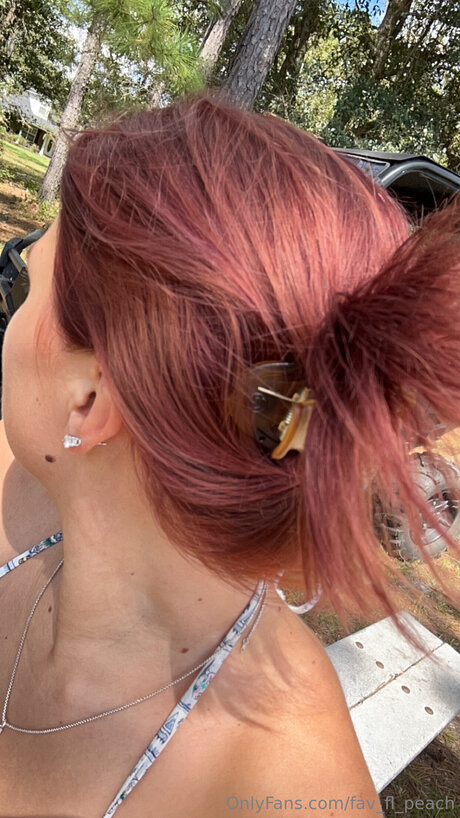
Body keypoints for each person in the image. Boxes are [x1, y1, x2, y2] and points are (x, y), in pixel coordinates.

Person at [0, 93, 458, 818]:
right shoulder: (11, 478)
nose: (13, 309)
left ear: (86, 402)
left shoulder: (296, 791)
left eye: (22, 286)